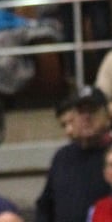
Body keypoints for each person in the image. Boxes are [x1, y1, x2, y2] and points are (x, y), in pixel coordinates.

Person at [36, 86, 112, 222]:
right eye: (80, 111)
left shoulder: (110, 156)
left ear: (107, 116)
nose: (86, 117)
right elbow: (45, 207)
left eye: (92, 110)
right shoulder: (62, 157)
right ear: (73, 118)